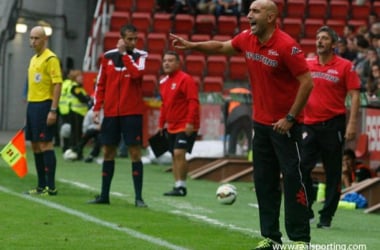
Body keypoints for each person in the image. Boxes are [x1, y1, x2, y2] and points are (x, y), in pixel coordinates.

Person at [170, 0, 313, 248]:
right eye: (249, 11)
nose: (249, 16)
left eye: (255, 11)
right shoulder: (247, 38)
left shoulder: (286, 46)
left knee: (292, 178)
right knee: (263, 181)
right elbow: (221, 46)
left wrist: (290, 118)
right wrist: (192, 45)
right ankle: (271, 238)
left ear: (270, 17)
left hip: (285, 126)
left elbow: (307, 82)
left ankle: (300, 239)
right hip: (262, 125)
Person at [301, 26, 361, 229]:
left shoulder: (345, 66)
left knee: (333, 172)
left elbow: (354, 95)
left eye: (325, 38)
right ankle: (306, 209)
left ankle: (326, 216)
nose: (320, 42)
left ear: (333, 44)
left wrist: (351, 123)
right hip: (308, 124)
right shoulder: (307, 64)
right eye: (318, 38)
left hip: (333, 125)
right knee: (301, 168)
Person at [88, 24, 148, 208]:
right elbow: (101, 84)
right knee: (108, 152)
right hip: (112, 113)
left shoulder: (141, 56)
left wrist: (124, 55)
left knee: (135, 152)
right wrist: (97, 108)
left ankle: (138, 197)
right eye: (129, 39)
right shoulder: (107, 57)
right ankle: (104, 195)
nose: (132, 42)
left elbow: (137, 74)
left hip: (132, 112)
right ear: (121, 38)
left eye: (134, 39)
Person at [24, 26, 62, 196]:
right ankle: (41, 185)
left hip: (45, 105)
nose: (33, 41)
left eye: (37, 38)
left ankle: (51, 186)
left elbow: (57, 84)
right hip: (32, 105)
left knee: (46, 143)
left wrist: (53, 110)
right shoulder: (33, 59)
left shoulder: (51, 59)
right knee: (35, 145)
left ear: (45, 39)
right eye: (31, 38)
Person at [158, 51, 200, 196]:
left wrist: (190, 122)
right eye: (164, 61)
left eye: (170, 60)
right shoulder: (163, 82)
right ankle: (177, 185)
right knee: (173, 155)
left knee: (179, 152)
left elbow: (193, 101)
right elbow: (164, 104)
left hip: (185, 124)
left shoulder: (185, 79)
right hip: (171, 125)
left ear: (178, 63)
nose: (167, 63)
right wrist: (160, 123)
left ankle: (182, 186)